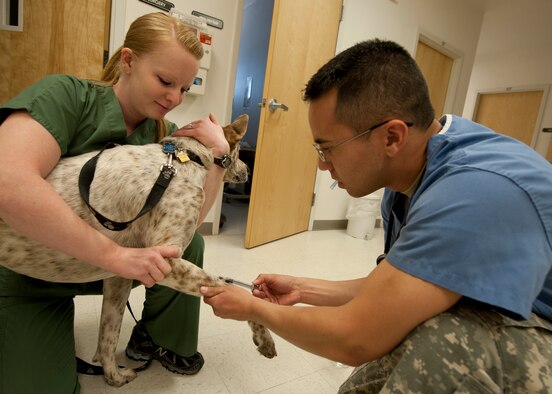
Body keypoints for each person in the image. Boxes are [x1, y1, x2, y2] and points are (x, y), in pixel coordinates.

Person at [200, 39, 552, 393]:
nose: (322, 164)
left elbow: (355, 338)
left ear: (392, 137)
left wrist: (252, 309)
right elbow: (398, 286)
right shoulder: (407, 177)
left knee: (445, 342)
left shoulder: (472, 193)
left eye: (327, 148)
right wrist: (303, 289)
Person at [0, 13, 230, 393]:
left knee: (194, 244)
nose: (174, 98)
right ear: (128, 61)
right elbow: (7, 181)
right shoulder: (66, 96)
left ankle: (157, 338)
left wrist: (220, 155)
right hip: (30, 271)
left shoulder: (165, 135)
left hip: (103, 265)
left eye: (185, 89)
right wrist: (115, 257)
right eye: (165, 81)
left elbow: (184, 229)